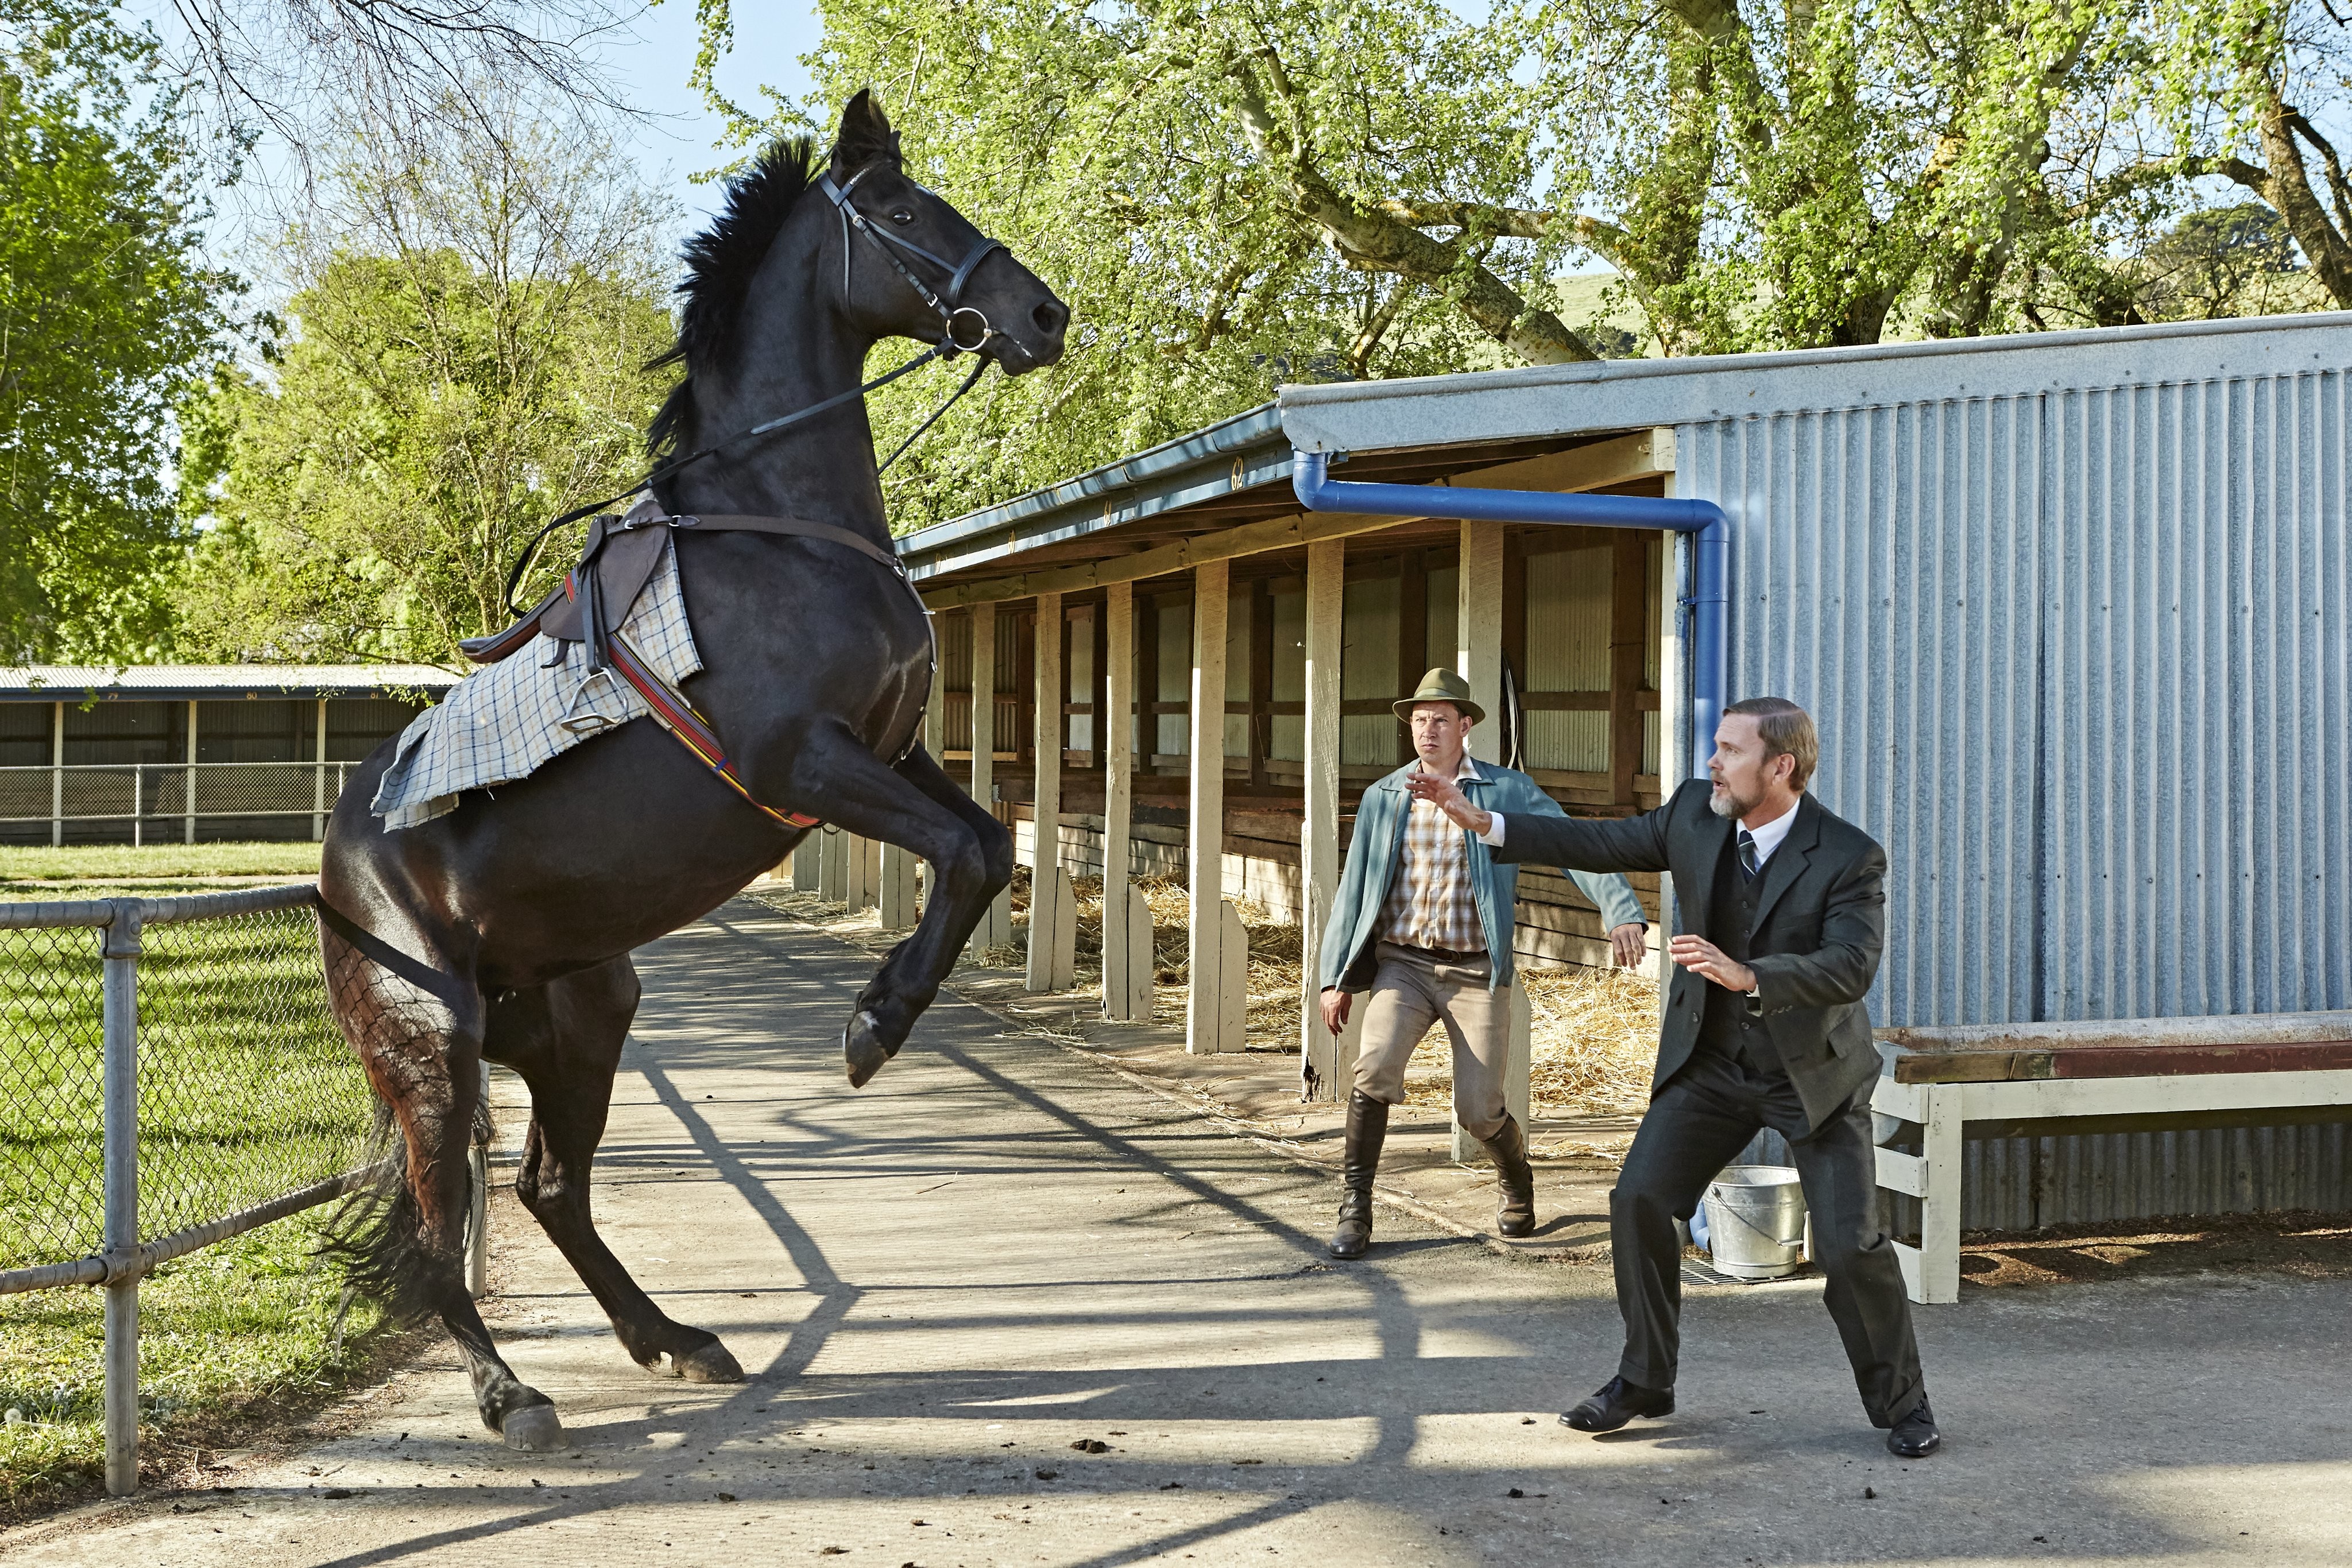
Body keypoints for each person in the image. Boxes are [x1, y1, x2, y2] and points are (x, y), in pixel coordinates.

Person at [1403, 696, 1940, 1459]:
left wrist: (1750, 972)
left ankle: (1905, 1403)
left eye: (1730, 749)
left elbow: (1850, 965)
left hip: (1810, 1074)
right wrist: (1483, 821)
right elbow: (1600, 839)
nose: (1712, 762)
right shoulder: (1696, 809)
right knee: (1640, 1199)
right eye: (1714, 746)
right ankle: (1646, 1377)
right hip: (1713, 1064)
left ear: (1780, 766)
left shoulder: (1850, 854)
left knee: (1852, 1247)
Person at [1316, 667, 1647, 1260]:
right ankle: (1355, 1207)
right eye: (1419, 720)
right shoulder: (1385, 797)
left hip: (1476, 971)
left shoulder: (1504, 791)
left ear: (1465, 726)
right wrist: (1333, 976)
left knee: (1478, 1108)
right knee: (1373, 1070)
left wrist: (1621, 909)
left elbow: (1572, 842)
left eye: (1440, 719)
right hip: (1404, 965)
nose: (1428, 730)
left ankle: (1516, 1176)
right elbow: (1354, 889)